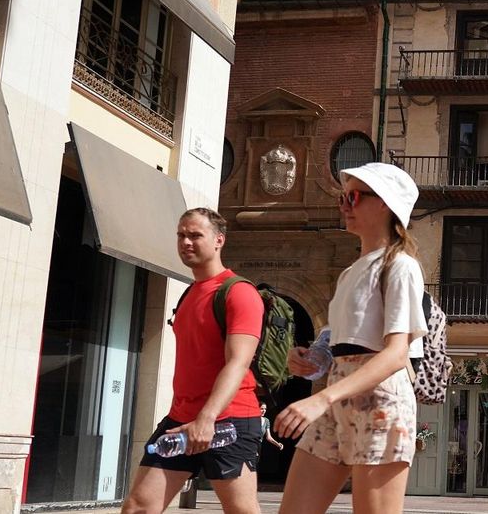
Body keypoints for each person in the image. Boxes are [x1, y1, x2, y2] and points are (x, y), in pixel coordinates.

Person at [274, 162, 429, 514]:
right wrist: (313, 360)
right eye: (344, 197)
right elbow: (341, 341)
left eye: (354, 197)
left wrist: (320, 400)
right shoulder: (349, 272)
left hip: (381, 402)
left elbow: (394, 355)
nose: (344, 205)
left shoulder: (401, 266)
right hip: (338, 396)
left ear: (385, 204)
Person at [121, 208, 265, 514]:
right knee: (138, 507)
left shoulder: (239, 292)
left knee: (241, 510)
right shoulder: (189, 293)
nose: (186, 242)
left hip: (229, 420)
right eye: (181, 235)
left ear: (219, 241)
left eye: (195, 235)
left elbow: (238, 362)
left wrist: (207, 417)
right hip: (180, 420)